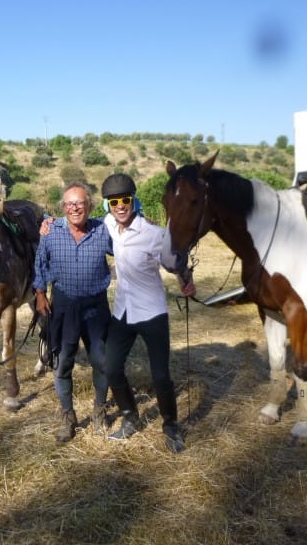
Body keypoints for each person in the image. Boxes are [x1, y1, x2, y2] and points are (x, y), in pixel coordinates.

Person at [100, 173, 195, 452]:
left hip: (152, 313)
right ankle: (130, 417)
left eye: (125, 200)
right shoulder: (108, 225)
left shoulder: (153, 235)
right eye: (114, 201)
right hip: (123, 312)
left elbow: (173, 262)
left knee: (160, 376)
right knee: (112, 368)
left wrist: (186, 280)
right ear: (108, 205)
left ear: (133, 201)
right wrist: (48, 224)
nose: (120, 206)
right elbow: (82, 223)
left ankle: (171, 426)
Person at [33, 181, 113, 443]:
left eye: (80, 203)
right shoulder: (51, 231)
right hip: (64, 306)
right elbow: (40, 263)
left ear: (89, 205)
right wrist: (40, 294)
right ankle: (68, 416)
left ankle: (100, 411)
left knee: (101, 361)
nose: (75, 208)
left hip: (96, 306)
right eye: (69, 204)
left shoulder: (104, 230)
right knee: (63, 361)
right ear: (63, 207)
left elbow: (129, 238)